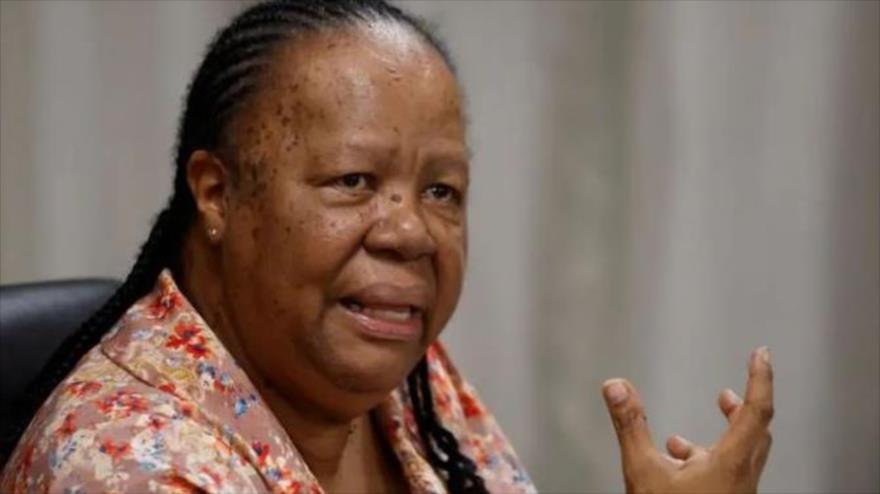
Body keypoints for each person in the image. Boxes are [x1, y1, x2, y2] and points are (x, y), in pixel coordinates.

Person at [0, 1, 774, 493]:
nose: (410, 232)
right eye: (352, 181)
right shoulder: (129, 469)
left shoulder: (399, 376)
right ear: (216, 194)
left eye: (441, 191)